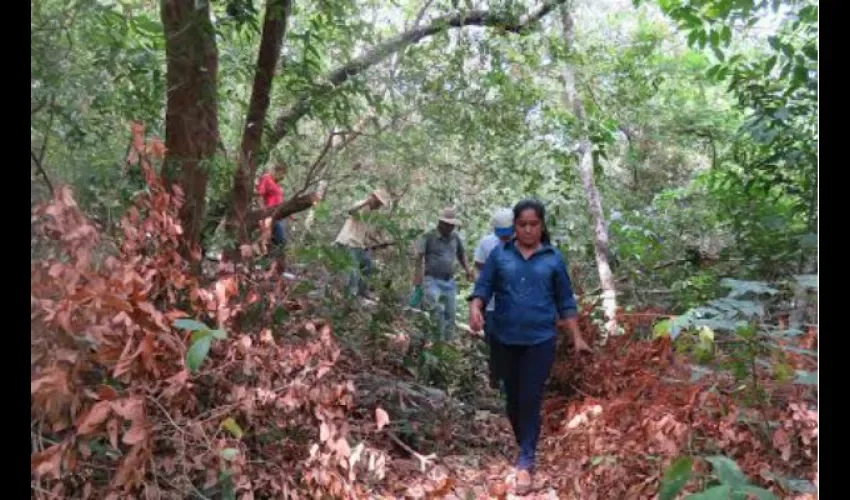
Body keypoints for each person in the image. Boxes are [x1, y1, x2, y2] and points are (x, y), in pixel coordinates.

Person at [468, 199, 591, 494]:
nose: (527, 230)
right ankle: (524, 442)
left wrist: (577, 336)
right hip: (504, 337)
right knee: (512, 398)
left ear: (542, 225)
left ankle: (526, 461)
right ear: (515, 226)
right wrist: (476, 306)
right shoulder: (501, 255)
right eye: (522, 225)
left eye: (533, 224)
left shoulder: (552, 259)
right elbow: (483, 286)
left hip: (540, 339)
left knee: (530, 397)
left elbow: (565, 301)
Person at [413, 208, 474, 341]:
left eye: (452, 225)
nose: (451, 227)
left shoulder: (455, 237)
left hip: (449, 282)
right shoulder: (428, 236)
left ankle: (447, 346)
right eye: (448, 224)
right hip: (432, 280)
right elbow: (419, 257)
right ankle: (434, 344)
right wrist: (418, 280)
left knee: (450, 315)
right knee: (436, 312)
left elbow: (461, 254)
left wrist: (468, 270)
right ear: (441, 223)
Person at [473, 207, 515, 390]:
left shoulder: (522, 244)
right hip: (491, 305)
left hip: (514, 305)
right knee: (494, 342)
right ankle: (496, 380)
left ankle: (511, 381)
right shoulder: (486, 244)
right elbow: (479, 265)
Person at [334, 189, 389, 299]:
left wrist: (380, 243)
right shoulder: (361, 204)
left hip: (358, 245)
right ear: (372, 199)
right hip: (348, 243)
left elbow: (366, 232)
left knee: (367, 265)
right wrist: (366, 202)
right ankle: (349, 296)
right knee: (352, 271)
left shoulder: (372, 214)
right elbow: (350, 211)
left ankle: (362, 292)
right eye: (378, 203)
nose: (379, 206)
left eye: (380, 204)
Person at [256, 165, 289, 265]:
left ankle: (271, 266)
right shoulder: (266, 178)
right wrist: (263, 212)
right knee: (275, 239)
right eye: (281, 175)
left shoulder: (276, 184)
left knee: (276, 241)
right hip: (269, 215)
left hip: (278, 215)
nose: (282, 178)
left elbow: (278, 200)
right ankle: (265, 263)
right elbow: (259, 195)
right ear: (276, 171)